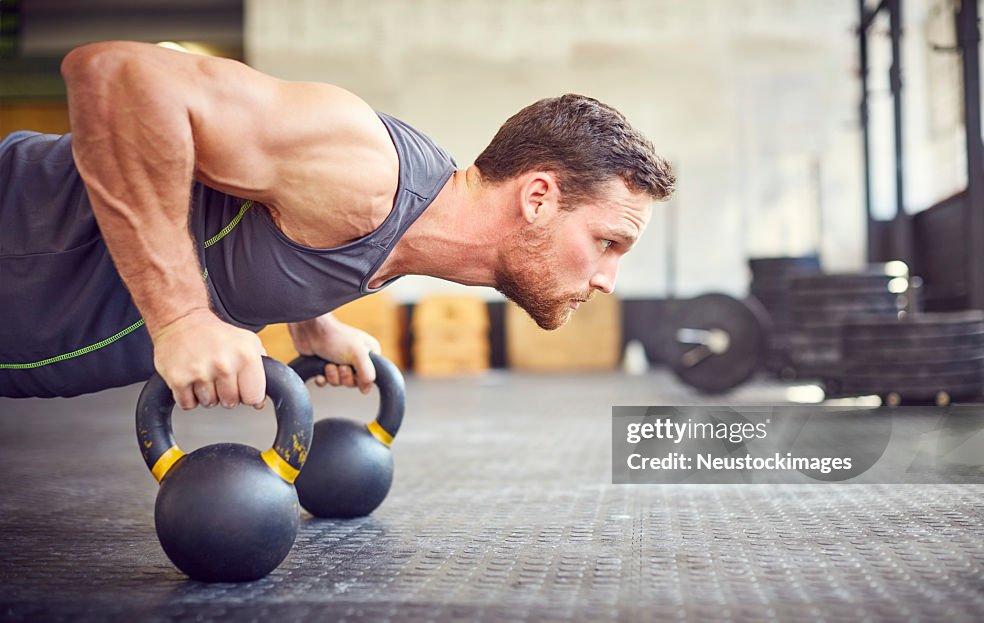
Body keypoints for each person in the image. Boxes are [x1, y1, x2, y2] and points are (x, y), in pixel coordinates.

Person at [0, 41, 675, 409]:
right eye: (607, 243)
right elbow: (113, 74)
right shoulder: (364, 170)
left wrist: (310, 317)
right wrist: (179, 317)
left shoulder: (409, 233)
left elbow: (267, 228)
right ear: (537, 198)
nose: (610, 279)